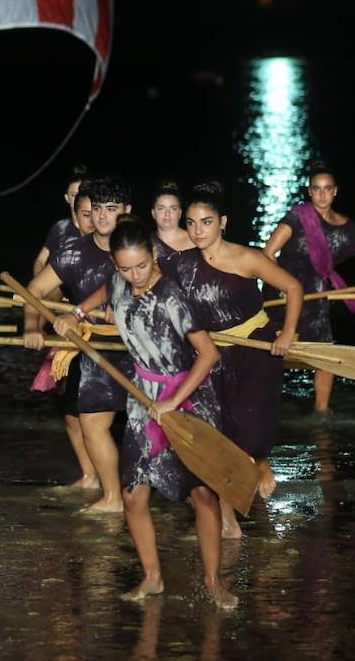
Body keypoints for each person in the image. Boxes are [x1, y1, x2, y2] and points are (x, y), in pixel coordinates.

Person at [68, 221, 237, 610]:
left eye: (141, 266)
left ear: (154, 255)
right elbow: (106, 289)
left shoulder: (172, 297)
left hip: (187, 400)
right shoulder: (119, 281)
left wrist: (173, 401)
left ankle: (213, 582)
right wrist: (77, 312)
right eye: (126, 268)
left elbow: (209, 354)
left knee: (202, 493)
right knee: (133, 495)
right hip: (142, 400)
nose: (135, 276)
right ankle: (152, 577)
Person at [173, 181, 302, 537]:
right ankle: (228, 523)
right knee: (218, 438)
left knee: (248, 431)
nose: (198, 231)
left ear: (223, 222)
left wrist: (288, 333)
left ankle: (259, 463)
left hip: (254, 351)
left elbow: (293, 287)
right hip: (212, 356)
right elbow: (144, 279)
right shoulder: (181, 263)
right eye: (191, 223)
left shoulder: (248, 258)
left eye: (206, 222)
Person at [22, 176, 132, 509]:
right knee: (91, 422)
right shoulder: (73, 254)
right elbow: (35, 291)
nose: (102, 216)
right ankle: (112, 497)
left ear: (127, 211)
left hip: (143, 350)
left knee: (162, 425)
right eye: (97, 208)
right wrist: (33, 326)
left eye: (110, 209)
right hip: (95, 349)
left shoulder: (141, 245)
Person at [263, 162, 355, 412]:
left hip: (316, 294)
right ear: (310, 191)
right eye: (317, 189)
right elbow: (268, 253)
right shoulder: (298, 216)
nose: (322, 195)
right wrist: (279, 285)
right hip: (284, 291)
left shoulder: (345, 224)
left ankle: (321, 411)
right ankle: (261, 404)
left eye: (327, 189)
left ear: (335, 191)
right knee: (272, 348)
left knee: (324, 352)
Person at [32, 164, 89, 276]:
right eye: (74, 195)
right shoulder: (60, 227)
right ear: (67, 198)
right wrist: (38, 283)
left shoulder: (98, 228)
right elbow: (40, 260)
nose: (79, 199)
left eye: (83, 194)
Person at [151, 181, 195, 253]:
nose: (167, 213)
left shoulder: (195, 239)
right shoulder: (146, 244)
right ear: (153, 213)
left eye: (173, 208)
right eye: (161, 208)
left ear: (180, 213)